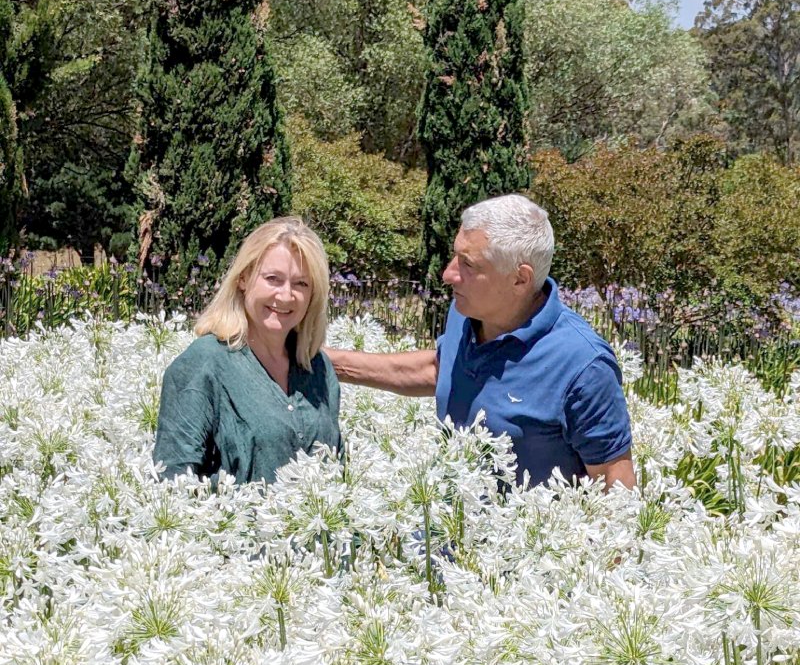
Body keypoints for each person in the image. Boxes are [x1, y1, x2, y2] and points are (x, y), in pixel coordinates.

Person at [326, 194, 634, 490]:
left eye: (467, 264)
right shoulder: (467, 311)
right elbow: (442, 369)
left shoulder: (584, 365)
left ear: (520, 279)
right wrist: (321, 361)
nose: (448, 274)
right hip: (441, 539)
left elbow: (615, 487)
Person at [154, 218, 340, 484]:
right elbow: (174, 484)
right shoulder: (203, 363)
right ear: (243, 278)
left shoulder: (318, 367)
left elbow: (336, 468)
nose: (286, 296)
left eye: (301, 284)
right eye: (273, 279)